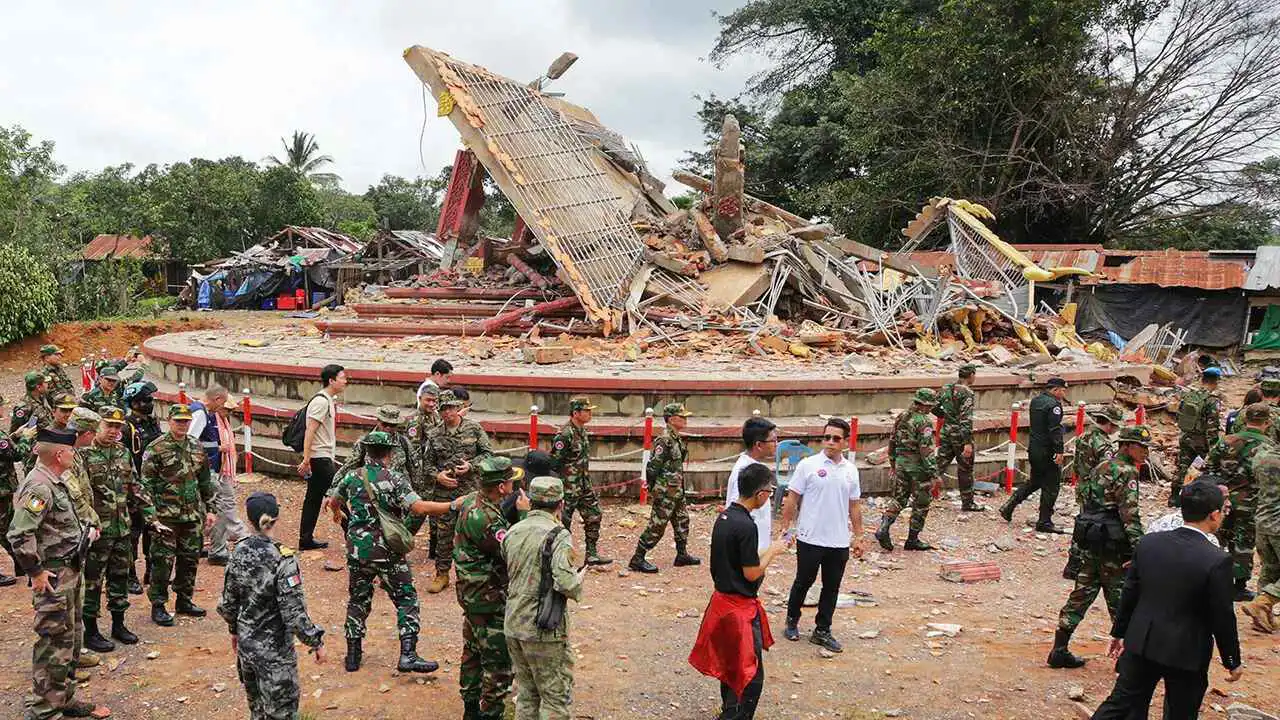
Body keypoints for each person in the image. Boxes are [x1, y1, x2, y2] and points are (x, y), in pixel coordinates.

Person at [1089, 481, 1242, 720]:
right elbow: (1222, 615)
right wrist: (1231, 659)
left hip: (1142, 640)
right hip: (1186, 651)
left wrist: (1119, 632)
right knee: (1181, 712)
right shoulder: (1217, 559)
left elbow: (1130, 592)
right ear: (1214, 515)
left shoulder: (1150, 543)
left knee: (1122, 704)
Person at [329, 431, 462, 674]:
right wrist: (453, 505)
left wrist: (338, 513)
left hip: (359, 551)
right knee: (406, 598)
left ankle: (353, 656)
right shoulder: (395, 478)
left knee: (358, 599)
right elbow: (419, 507)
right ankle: (408, 654)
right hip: (388, 550)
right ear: (389, 453)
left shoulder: (352, 477)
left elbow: (334, 501)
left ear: (367, 451)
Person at [7, 428, 110, 720]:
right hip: (53, 577)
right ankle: (43, 710)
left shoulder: (56, 480)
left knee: (70, 640)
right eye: (72, 451)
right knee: (53, 642)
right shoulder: (39, 487)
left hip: (70, 569)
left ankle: (63, 698)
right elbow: (19, 534)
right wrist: (36, 572)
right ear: (60, 454)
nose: (75, 454)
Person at [218, 492, 326, 720]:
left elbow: (229, 602)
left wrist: (234, 631)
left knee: (257, 711)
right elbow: (293, 612)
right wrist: (315, 641)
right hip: (275, 655)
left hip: (247, 650)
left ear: (249, 519)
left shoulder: (238, 551)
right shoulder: (283, 559)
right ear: (276, 517)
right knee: (282, 714)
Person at [690, 463, 785, 720]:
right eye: (770, 490)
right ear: (761, 494)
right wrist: (773, 553)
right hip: (739, 608)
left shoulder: (724, 517)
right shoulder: (747, 526)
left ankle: (728, 711)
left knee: (730, 666)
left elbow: (739, 561)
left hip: (721, 602)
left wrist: (768, 550)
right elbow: (751, 573)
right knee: (750, 673)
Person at [1049, 425, 1148, 669]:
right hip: (1114, 545)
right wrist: (1140, 549)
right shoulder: (1127, 472)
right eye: (1141, 447)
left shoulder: (1102, 466)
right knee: (1121, 600)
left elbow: (1087, 501)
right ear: (1127, 446)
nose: (1145, 452)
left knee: (1081, 595)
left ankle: (1059, 649)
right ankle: (1125, 660)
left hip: (1092, 539)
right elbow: (1130, 516)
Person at [80, 407, 166, 653]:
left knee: (119, 578)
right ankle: (92, 631)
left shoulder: (123, 453)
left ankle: (119, 624)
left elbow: (136, 487)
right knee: (93, 581)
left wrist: (151, 517)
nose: (114, 431)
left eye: (118, 427)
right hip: (97, 532)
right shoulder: (83, 456)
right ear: (97, 426)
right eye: (109, 425)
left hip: (122, 529)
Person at [502, 476, 585, 720]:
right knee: (554, 697)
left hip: (514, 623)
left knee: (527, 693)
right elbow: (566, 583)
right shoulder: (558, 535)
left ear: (531, 501)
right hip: (543, 629)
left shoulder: (512, 531)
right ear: (560, 504)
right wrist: (581, 578)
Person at [778, 418, 863, 652]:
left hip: (838, 540)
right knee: (803, 581)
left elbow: (854, 505)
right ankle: (792, 621)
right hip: (810, 536)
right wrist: (785, 527)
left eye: (836, 438)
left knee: (832, 586)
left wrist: (859, 536)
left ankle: (822, 629)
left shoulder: (851, 471)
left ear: (845, 442)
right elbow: (792, 497)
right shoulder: (809, 465)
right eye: (827, 437)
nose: (830, 442)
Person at [454, 456, 527, 719]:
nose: (513, 486)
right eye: (510, 482)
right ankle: (490, 712)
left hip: (472, 593)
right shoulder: (486, 518)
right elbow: (511, 552)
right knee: (497, 663)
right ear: (501, 488)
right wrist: (525, 515)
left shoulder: (473, 501)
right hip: (488, 596)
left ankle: (470, 709)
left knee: (472, 652)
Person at [142, 404, 216, 626]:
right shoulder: (156, 448)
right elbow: (145, 485)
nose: (183, 425)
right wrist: (151, 517)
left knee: (190, 559)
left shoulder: (196, 446)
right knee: (162, 562)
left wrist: (211, 509)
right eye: (178, 421)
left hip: (192, 515)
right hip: (166, 517)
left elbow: (204, 481)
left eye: (186, 421)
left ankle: (184, 600)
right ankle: (158, 605)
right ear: (169, 421)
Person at [422, 389, 493, 593]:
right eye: (443, 409)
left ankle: (475, 575)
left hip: (471, 492)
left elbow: (488, 454)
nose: (447, 413)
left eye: (451, 408)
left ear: (458, 408)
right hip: (445, 494)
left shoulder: (474, 429)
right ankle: (442, 574)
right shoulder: (434, 434)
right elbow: (426, 466)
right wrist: (438, 477)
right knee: (444, 536)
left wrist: (472, 466)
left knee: (475, 532)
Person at [1204, 401, 1275, 601]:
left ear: (1245, 420)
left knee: (1217, 538)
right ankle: (1239, 586)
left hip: (1221, 500)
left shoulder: (1226, 441)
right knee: (1244, 542)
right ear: (1267, 422)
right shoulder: (1268, 446)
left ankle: (1209, 579)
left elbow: (1208, 466)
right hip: (1252, 501)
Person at [629, 403, 701, 573]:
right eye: (681, 416)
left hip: (676, 489)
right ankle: (637, 558)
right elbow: (653, 467)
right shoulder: (665, 440)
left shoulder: (675, 438)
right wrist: (656, 488)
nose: (685, 419)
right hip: (666, 491)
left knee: (682, 520)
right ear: (671, 419)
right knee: (657, 525)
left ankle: (682, 555)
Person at [1062, 404, 1123, 579]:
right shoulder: (1103, 444)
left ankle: (1073, 562)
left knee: (1082, 523)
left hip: (1083, 486)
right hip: (1096, 490)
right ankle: (1082, 564)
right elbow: (1108, 470)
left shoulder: (1083, 436)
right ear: (1110, 424)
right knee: (1092, 527)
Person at [1001, 377, 1068, 532]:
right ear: (1055, 390)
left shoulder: (1037, 401)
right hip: (1047, 450)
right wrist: (1059, 450)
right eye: (1063, 390)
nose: (1064, 393)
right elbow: (1054, 430)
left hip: (1035, 448)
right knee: (1051, 485)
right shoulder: (1054, 405)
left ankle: (1009, 505)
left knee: (1036, 481)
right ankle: (1044, 521)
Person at [550, 397, 611, 566]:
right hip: (568, 487)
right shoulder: (565, 434)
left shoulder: (582, 431)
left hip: (583, 485)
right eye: (586, 410)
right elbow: (554, 462)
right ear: (576, 413)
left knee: (594, 515)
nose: (590, 413)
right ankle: (560, 558)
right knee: (563, 523)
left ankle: (591, 554)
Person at [189, 385, 246, 566]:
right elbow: (190, 441)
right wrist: (216, 448)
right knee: (217, 509)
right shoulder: (200, 413)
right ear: (218, 399)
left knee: (202, 508)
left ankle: (197, 546)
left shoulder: (203, 412)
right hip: (206, 469)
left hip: (207, 468)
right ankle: (218, 551)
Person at [879, 389, 941, 551]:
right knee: (921, 503)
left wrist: (893, 462)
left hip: (900, 463)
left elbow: (892, 440)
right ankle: (912, 539)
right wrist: (934, 474)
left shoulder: (902, 416)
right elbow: (926, 450)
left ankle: (884, 527)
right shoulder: (924, 422)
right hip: (917, 468)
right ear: (926, 405)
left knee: (899, 498)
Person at [296, 364, 347, 551]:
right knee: (339, 494)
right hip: (320, 458)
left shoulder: (327, 400)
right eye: (342, 377)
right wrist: (307, 458)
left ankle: (305, 538)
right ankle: (354, 536)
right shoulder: (321, 402)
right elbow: (310, 430)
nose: (345, 381)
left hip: (320, 456)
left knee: (313, 498)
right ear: (331, 380)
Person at [122, 380, 162, 595]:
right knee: (133, 533)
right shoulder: (126, 427)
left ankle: (150, 570)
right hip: (133, 487)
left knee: (152, 529)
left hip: (152, 487)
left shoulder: (152, 423)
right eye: (146, 400)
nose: (150, 403)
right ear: (134, 403)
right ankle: (130, 575)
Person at [935, 364, 985, 511]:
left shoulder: (946, 388)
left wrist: (945, 416)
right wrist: (967, 442)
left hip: (946, 431)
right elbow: (966, 419)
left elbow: (933, 406)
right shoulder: (967, 392)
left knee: (938, 465)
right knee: (965, 469)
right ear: (971, 375)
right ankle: (967, 502)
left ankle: (918, 496)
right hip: (960, 435)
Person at [1172, 367, 1224, 506]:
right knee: (1208, 468)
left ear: (1202, 379)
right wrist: (1214, 447)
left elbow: (1178, 416)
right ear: (1216, 381)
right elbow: (1212, 426)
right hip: (1202, 441)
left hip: (1186, 436)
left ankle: (1174, 498)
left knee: (1182, 467)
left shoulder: (1189, 395)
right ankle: (1203, 499)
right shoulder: (1212, 400)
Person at [726, 417, 778, 552]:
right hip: (748, 550)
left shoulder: (754, 467)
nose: (776, 444)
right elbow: (737, 512)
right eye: (773, 440)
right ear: (759, 445)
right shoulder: (745, 472)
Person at [1243, 445, 1280, 632]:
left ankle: (1263, 618)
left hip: (1263, 520)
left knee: (1270, 570)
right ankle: (1263, 603)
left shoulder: (1262, 456)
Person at [408, 386, 443, 558]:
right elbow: (414, 451)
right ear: (420, 399)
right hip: (423, 475)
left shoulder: (436, 416)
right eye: (428, 400)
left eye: (434, 400)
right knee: (419, 512)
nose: (431, 404)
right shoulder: (416, 420)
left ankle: (434, 549)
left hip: (435, 471)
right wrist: (418, 476)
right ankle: (400, 542)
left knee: (437, 511)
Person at [11, 372, 53, 438]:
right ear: (38, 387)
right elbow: (16, 434)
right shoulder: (23, 407)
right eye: (45, 383)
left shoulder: (42, 398)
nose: (48, 384)